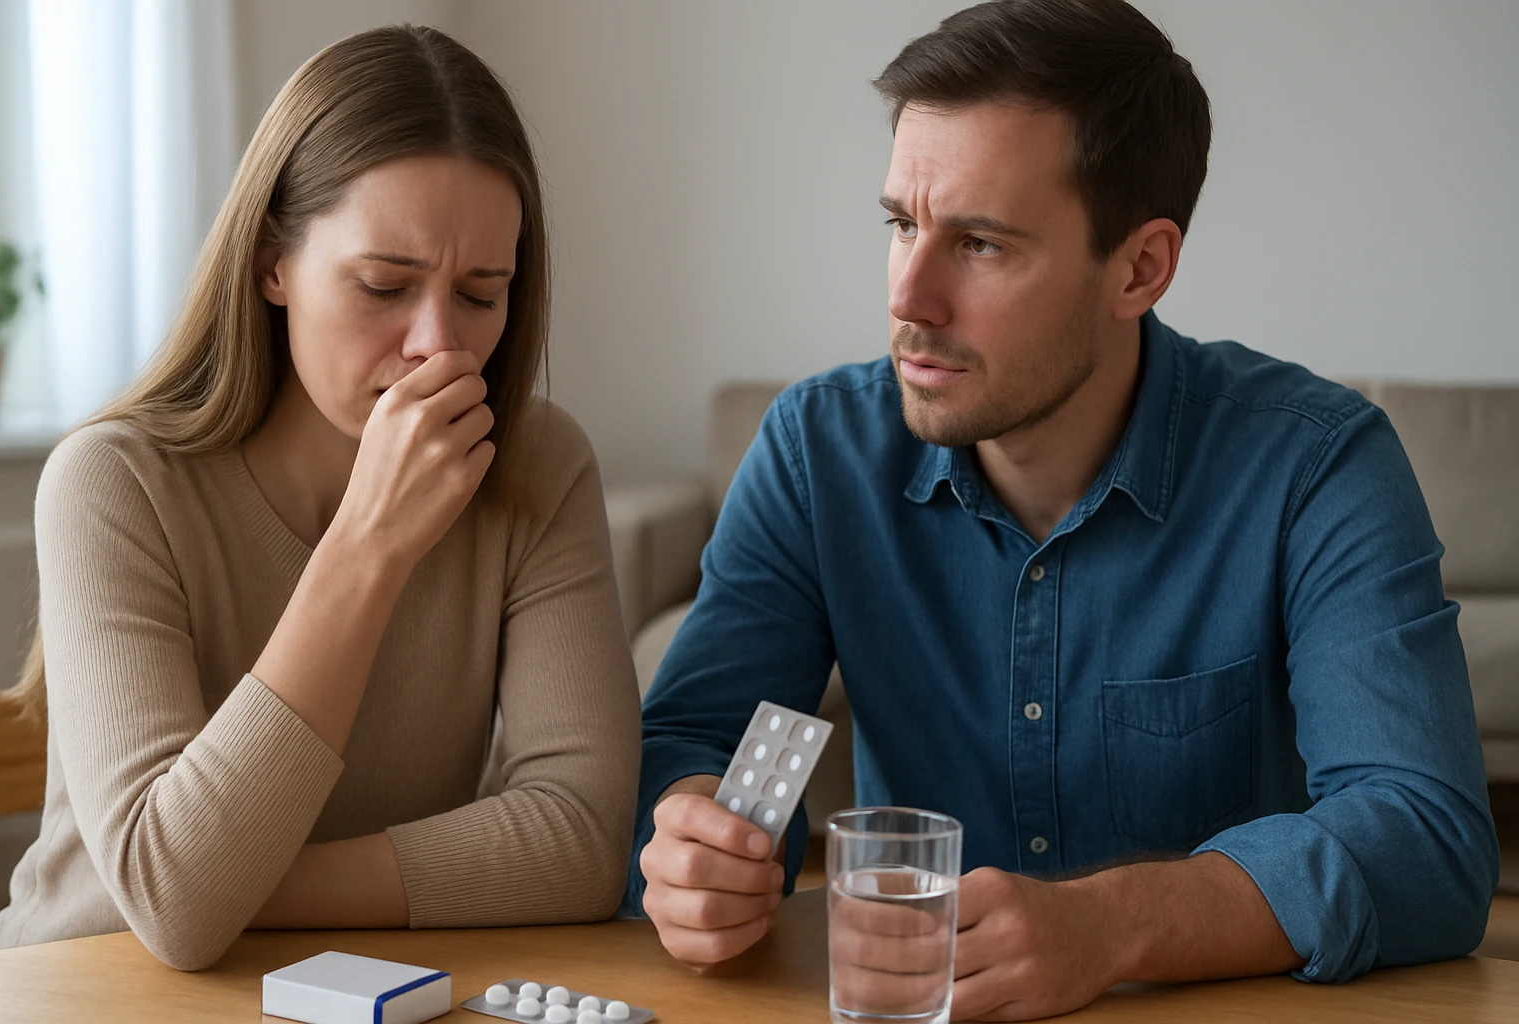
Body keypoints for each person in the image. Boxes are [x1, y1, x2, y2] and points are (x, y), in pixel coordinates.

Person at [628, 1, 1498, 1019]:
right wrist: (691, 835)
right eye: (900, 223)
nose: (911, 295)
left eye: (982, 244)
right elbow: (690, 738)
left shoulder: (1318, 464)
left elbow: (1426, 835)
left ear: (1140, 266)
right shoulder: (817, 453)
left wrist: (1117, 921)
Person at [0, 25, 640, 970]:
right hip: (91, 989)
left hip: (357, 989)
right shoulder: (111, 482)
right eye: (384, 285)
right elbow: (175, 901)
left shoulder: (539, 467)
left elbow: (579, 842)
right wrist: (368, 549)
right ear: (271, 262)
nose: (438, 347)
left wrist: (222, 885)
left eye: (481, 293)